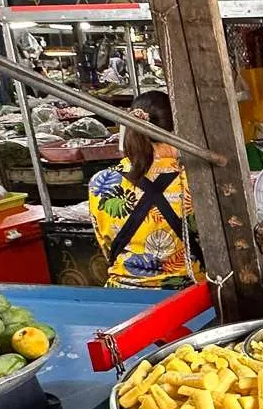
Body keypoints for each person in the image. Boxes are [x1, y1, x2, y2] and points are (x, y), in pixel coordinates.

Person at [87, 91, 203, 289]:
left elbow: (107, 247)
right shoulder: (193, 180)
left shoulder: (101, 181)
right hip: (186, 297)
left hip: (123, 296)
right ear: (179, 129)